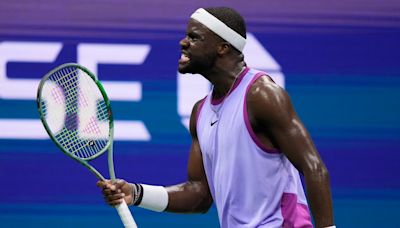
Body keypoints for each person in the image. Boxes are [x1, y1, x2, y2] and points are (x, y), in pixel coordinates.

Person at [97, 7, 335, 228]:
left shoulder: (262, 95)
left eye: (194, 37)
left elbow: (313, 167)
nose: (183, 42)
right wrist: (136, 193)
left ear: (222, 47)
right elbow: (200, 195)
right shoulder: (200, 113)